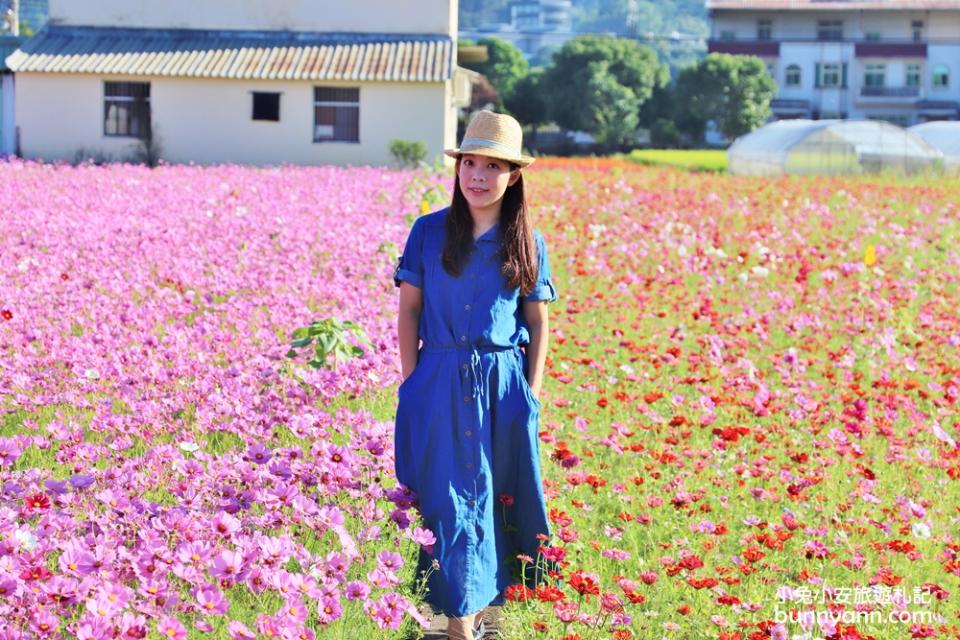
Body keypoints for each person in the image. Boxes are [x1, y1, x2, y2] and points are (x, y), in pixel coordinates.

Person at [392, 110, 558, 640]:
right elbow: (409, 313)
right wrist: (413, 383)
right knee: (444, 495)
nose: (478, 175)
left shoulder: (528, 242)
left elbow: (537, 321)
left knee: (498, 496)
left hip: (503, 384)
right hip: (438, 379)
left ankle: (482, 613)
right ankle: (457, 622)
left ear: (514, 176)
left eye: (493, 165)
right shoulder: (429, 231)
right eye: (469, 162)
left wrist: (530, 396)